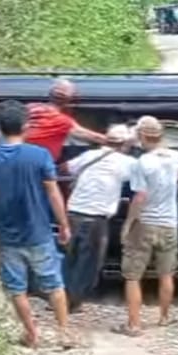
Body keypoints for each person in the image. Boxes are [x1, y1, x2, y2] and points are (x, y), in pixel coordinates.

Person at [0, 100, 75, 349]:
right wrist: (64, 224)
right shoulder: (39, 155)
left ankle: (31, 334)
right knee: (54, 284)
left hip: (8, 236)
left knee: (16, 288)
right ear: (26, 126)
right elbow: (54, 194)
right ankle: (64, 334)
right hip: (39, 232)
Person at [115, 116, 178, 337]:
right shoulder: (175, 158)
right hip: (169, 224)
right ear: (160, 135)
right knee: (166, 273)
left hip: (145, 223)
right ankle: (164, 317)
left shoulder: (141, 163)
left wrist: (128, 224)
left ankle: (134, 325)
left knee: (133, 276)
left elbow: (140, 197)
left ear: (143, 136)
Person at [62, 124, 138, 314]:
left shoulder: (89, 156)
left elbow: (65, 168)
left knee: (70, 258)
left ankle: (60, 297)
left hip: (73, 213)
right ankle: (72, 302)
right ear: (124, 144)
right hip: (96, 219)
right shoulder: (126, 162)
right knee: (88, 263)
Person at [25, 78, 111, 163]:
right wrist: (115, 140)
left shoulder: (31, 107)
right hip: (39, 164)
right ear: (70, 99)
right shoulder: (62, 121)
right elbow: (90, 136)